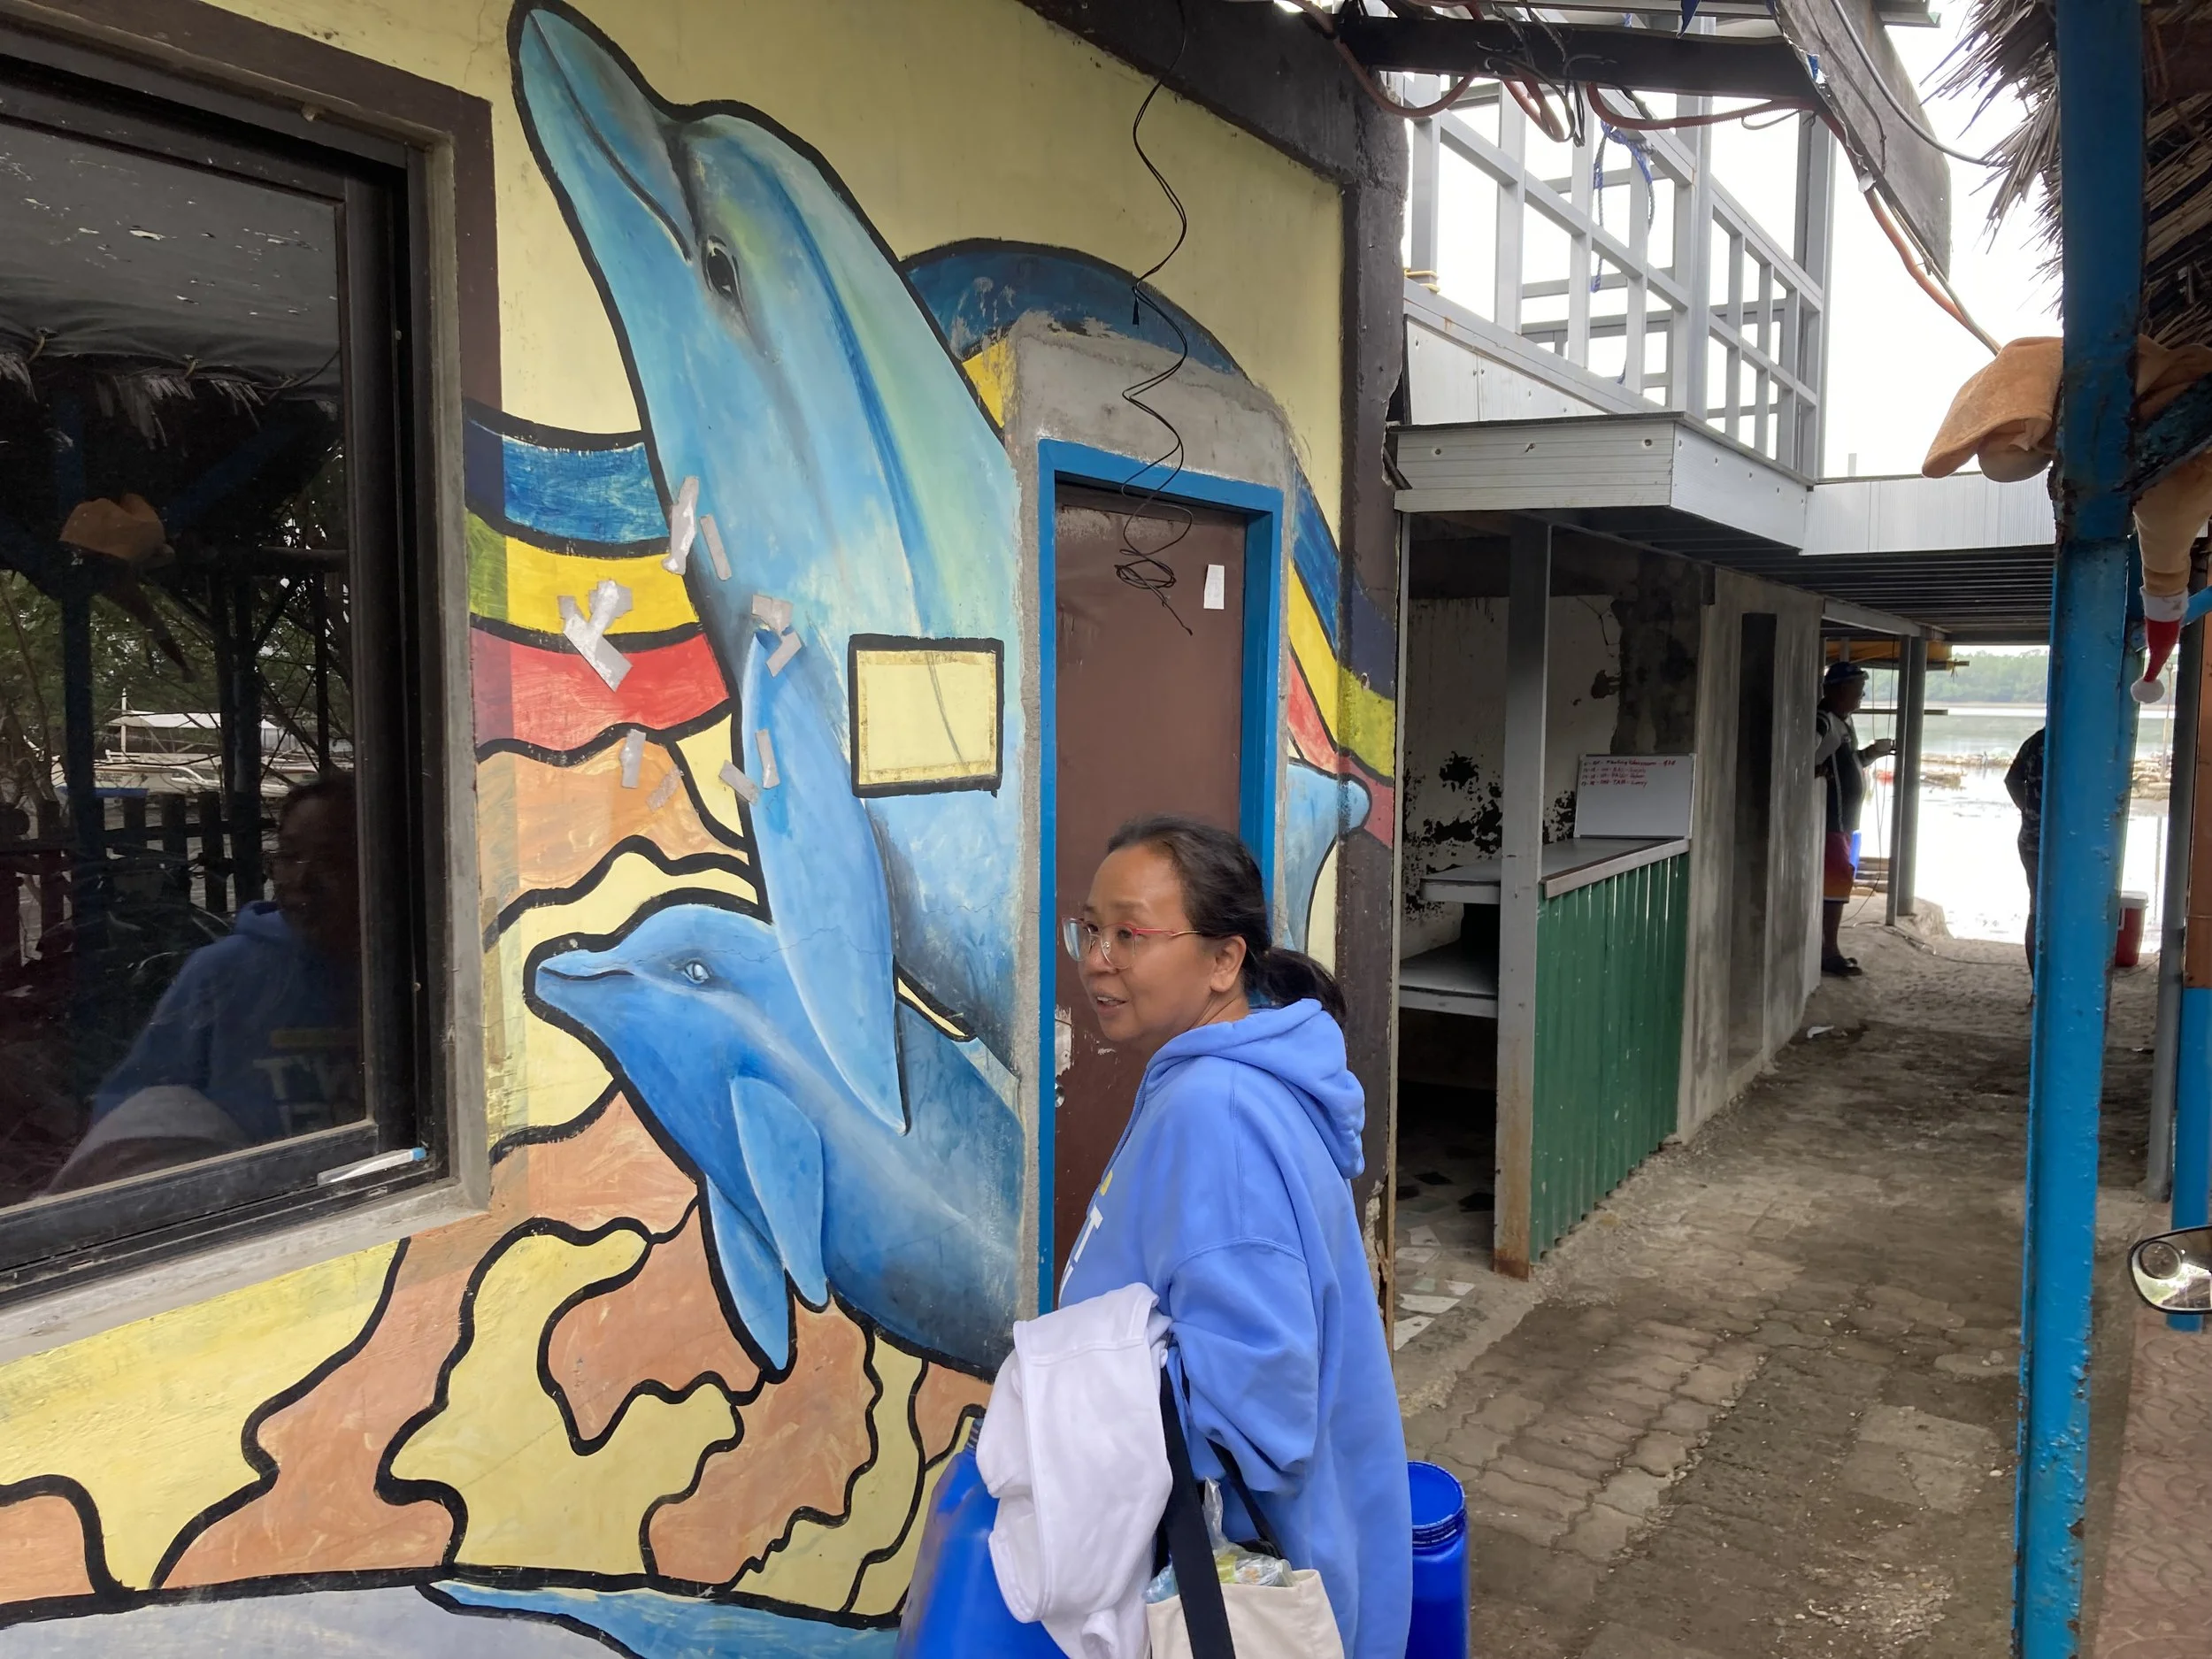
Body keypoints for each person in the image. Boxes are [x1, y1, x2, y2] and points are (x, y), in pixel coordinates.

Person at [1056, 815, 1410, 1659]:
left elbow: (1260, 1419)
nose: (1098, 959)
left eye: (1130, 934)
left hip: (1245, 1595)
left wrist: (1073, 1407)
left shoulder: (1218, 1112)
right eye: (1090, 930)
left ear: (1224, 960)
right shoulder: (1227, 1080)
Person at [53, 774, 364, 1190]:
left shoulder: (403, 972)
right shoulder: (223, 972)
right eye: (289, 856)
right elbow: (132, 1120)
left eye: (332, 860)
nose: (301, 879)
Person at [1813, 662, 1894, 977]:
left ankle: (1829, 948)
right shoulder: (1824, 720)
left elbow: (1850, 762)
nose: (1861, 696)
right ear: (1840, 690)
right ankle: (1829, 951)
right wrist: (1814, 769)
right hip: (1832, 820)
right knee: (1836, 885)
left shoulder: (1842, 722)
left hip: (1845, 821)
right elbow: (1800, 755)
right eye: (1858, 690)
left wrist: (1873, 752)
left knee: (1840, 883)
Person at [2005, 727, 2045, 972]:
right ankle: (2041, 980)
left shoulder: (2036, 741)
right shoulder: (2080, 742)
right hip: (2044, 842)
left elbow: (2012, 780)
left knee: (2038, 909)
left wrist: (2029, 810)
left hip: (2032, 839)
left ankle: (2038, 982)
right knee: (2046, 911)